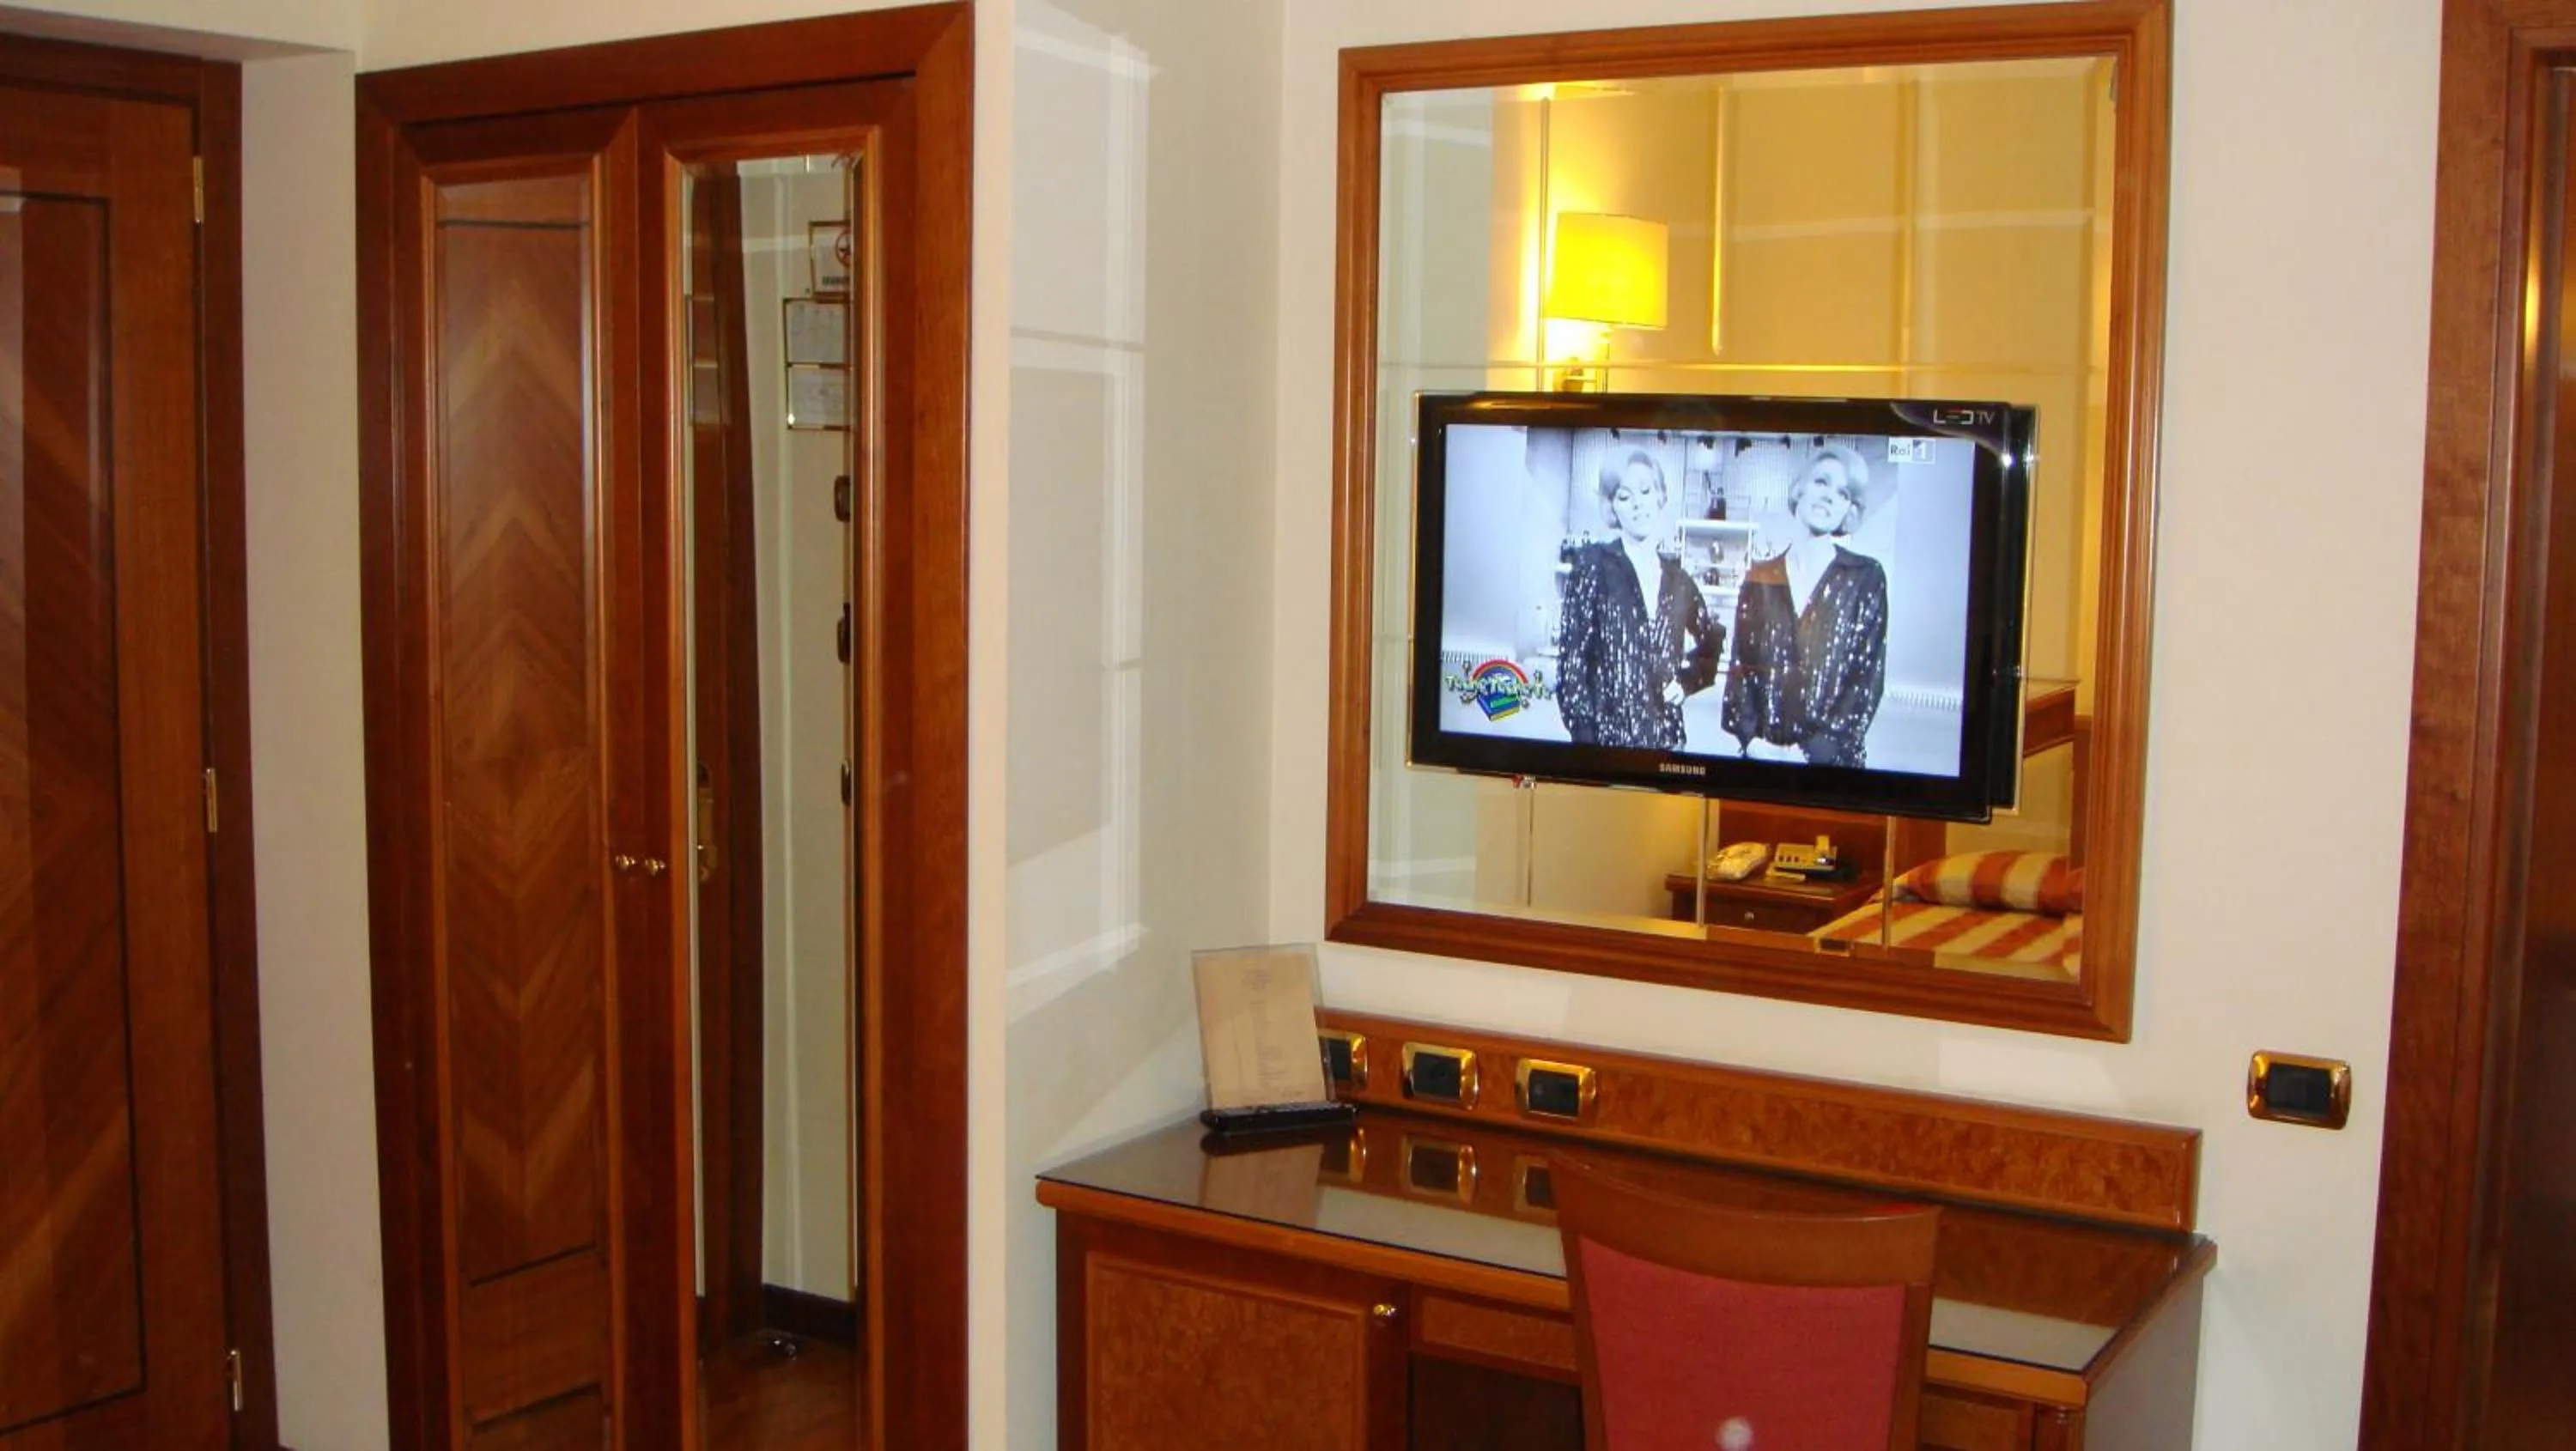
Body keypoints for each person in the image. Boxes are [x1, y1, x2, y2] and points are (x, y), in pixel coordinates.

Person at [1723, 444, 1888, 767]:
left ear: (1849, 509)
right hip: (1761, 759)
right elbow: (1741, 667)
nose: (1828, 496)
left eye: (1843, 493)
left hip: (1831, 770)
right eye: (1822, 482)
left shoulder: (1866, 577)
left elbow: (1866, 682)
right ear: (1799, 490)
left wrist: (1812, 752)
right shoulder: (1760, 576)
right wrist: (1752, 740)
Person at [1556, 450, 1722, 749]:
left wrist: (1688, 680)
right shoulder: (1592, 565)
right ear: (1612, 507)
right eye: (1624, 496)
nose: (1637, 504)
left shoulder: (1679, 581)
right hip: (1606, 748)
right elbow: (1572, 667)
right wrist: (1586, 748)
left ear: (1659, 497)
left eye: (1646, 491)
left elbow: (1713, 640)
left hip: (1667, 746)